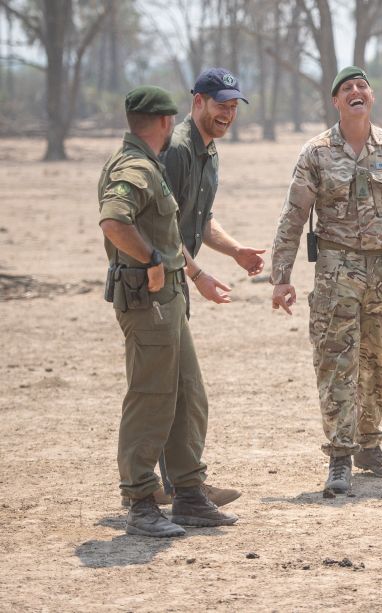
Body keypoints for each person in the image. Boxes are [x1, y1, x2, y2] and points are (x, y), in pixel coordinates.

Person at [269, 66, 382, 494]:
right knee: (337, 361)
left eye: (362, 86)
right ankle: (340, 455)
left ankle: (369, 445)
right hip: (337, 272)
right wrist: (281, 277)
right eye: (347, 89)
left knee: (375, 361)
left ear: (371, 97)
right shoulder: (317, 152)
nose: (356, 91)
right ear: (336, 102)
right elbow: (294, 216)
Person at [98, 86, 238, 537]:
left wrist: (192, 274)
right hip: (148, 303)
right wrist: (151, 259)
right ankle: (140, 500)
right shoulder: (135, 169)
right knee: (152, 398)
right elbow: (114, 220)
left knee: (187, 394)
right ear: (163, 122)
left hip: (170, 300)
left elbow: (166, 229)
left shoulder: (150, 165)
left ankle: (189, 495)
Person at [123, 68, 261, 511]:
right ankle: (165, 488)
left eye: (234, 106)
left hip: (177, 280)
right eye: (220, 104)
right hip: (159, 282)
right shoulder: (178, 150)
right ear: (196, 102)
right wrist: (198, 274)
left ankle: (183, 484)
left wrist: (234, 250)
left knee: (181, 389)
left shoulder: (209, 151)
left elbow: (198, 218)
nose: (228, 113)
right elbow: (161, 227)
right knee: (170, 389)